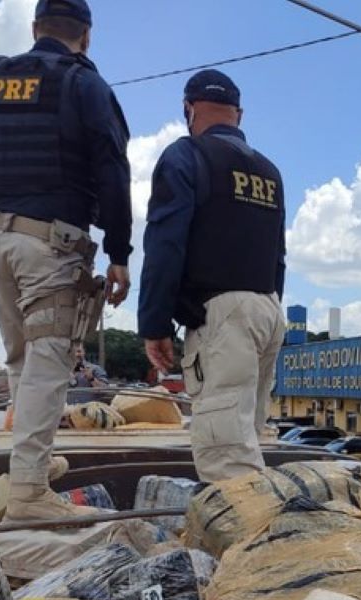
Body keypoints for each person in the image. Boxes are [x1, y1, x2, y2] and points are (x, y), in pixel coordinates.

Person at [0, 0, 132, 519]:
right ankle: (29, 494)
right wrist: (119, 253)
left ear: (34, 29)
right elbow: (112, 171)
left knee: (20, 359)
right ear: (87, 36)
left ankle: (33, 466)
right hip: (51, 243)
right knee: (49, 363)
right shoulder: (85, 85)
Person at [139, 69, 286, 483]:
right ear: (238, 114)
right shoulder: (269, 171)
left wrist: (154, 323)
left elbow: (165, 243)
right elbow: (279, 257)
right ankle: (259, 534)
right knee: (248, 440)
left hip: (222, 316)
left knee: (225, 456)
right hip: (268, 309)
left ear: (188, 109)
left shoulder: (186, 155)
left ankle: (245, 543)